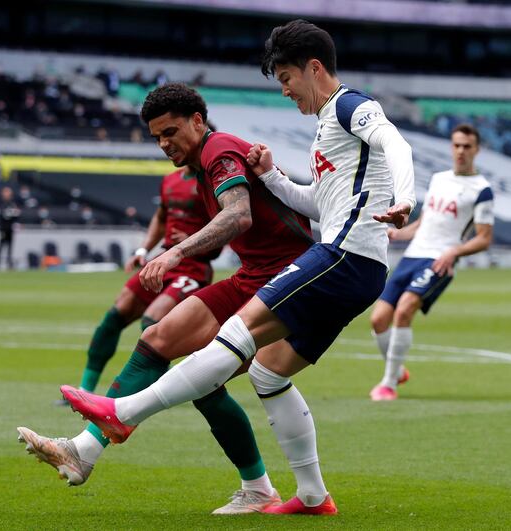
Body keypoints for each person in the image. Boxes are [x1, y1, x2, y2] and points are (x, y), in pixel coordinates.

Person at [59, 20, 416, 515]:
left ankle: (122, 413)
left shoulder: (352, 106)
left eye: (287, 78)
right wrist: (273, 176)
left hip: (344, 255)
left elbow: (397, 144)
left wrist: (406, 199)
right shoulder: (325, 128)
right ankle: (312, 497)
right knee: (268, 375)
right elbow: (317, 203)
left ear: (314, 68)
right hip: (351, 261)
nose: (286, 90)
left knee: (234, 333)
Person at [17, 83, 314, 515]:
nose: (163, 144)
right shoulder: (198, 169)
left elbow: (239, 213)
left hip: (288, 282)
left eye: (170, 132)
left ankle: (272, 490)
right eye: (157, 137)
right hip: (254, 277)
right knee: (158, 340)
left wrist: (173, 252)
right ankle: (85, 452)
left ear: (198, 121)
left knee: (203, 376)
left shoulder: (219, 151)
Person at [369, 124, 494, 401]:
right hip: (413, 255)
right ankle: (398, 370)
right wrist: (399, 233)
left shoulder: (482, 190)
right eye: (457, 145)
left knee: (404, 311)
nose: (461, 151)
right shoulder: (439, 179)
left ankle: (388, 384)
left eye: (467, 146)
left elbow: (484, 239)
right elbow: (425, 223)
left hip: (439, 261)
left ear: (477, 150)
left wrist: (453, 253)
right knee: (378, 320)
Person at [74, 165, 215, 393]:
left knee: (152, 320)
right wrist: (143, 251)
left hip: (193, 267)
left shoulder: (212, 181)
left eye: (172, 134)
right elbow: (160, 219)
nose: (167, 144)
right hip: (163, 261)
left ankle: (159, 391)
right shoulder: (170, 180)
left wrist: (192, 240)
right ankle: (85, 390)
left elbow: (229, 223)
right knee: (115, 316)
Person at [0, 187, 20, 270]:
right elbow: (0, 214)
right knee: (1, 245)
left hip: (10, 228)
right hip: (3, 227)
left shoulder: (13, 203)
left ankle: (9, 262)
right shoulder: (0, 203)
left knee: (10, 246)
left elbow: (16, 214)